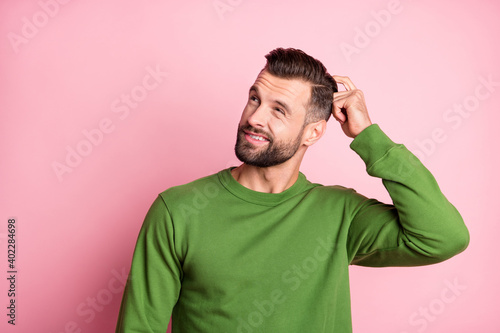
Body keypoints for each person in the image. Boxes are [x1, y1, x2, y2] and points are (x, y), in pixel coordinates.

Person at [115, 47, 469, 333]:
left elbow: (443, 237)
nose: (254, 117)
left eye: (278, 110)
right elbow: (139, 326)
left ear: (313, 132)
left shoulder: (341, 213)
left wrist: (368, 136)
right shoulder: (177, 210)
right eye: (255, 99)